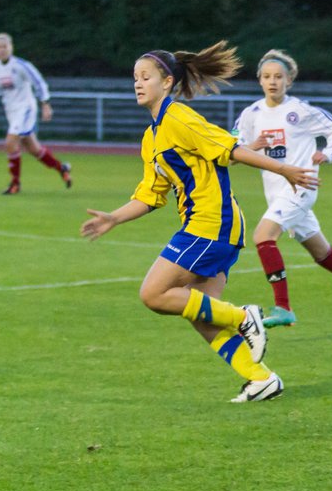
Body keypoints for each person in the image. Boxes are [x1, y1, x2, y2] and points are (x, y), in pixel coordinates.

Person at [80, 42, 318, 403]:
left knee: (154, 293)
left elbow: (230, 148)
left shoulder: (179, 117)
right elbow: (150, 195)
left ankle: (244, 316)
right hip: (210, 226)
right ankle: (260, 379)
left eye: (145, 77)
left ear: (167, 81)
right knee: (201, 314)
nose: (137, 83)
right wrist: (113, 217)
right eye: (134, 78)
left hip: (212, 223)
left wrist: (285, 169)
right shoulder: (152, 137)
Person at [234, 49, 332, 328]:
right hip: (275, 192)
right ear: (259, 80)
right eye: (266, 77)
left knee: (263, 236)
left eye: (278, 76)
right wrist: (253, 146)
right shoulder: (251, 114)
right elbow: (234, 145)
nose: (272, 81)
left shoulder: (300, 111)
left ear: (290, 80)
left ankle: (283, 308)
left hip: (301, 185)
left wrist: (327, 154)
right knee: (321, 253)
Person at [0, 33, 70, 195]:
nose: (2, 50)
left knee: (10, 142)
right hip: (11, 111)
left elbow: (38, 82)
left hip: (26, 109)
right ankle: (61, 168)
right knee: (34, 149)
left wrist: (45, 103)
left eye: (5, 46)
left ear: (11, 47)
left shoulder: (21, 65)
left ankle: (15, 184)